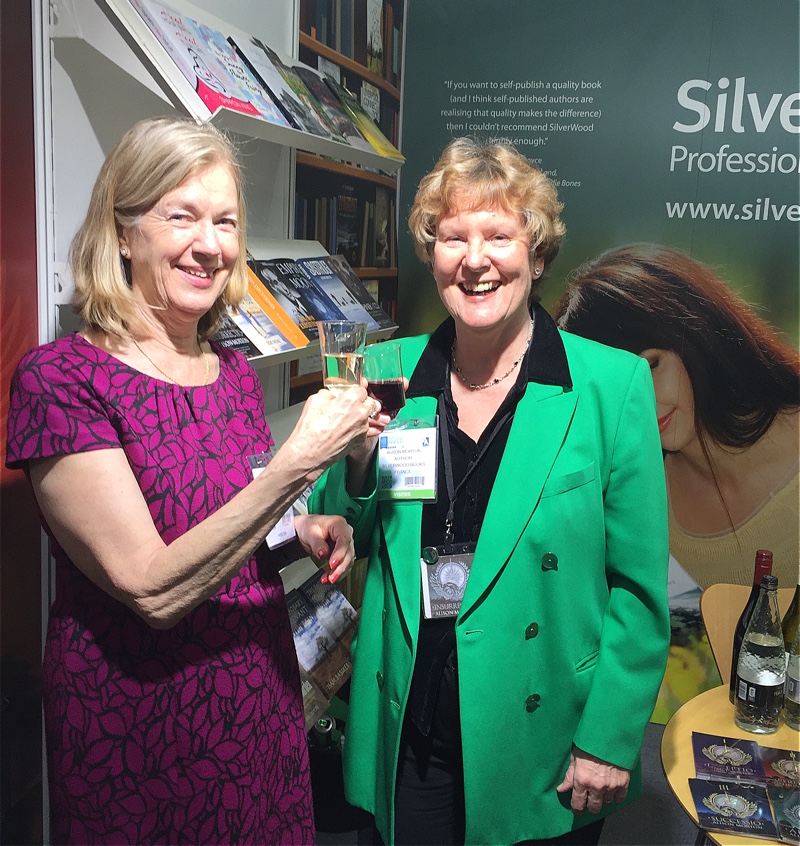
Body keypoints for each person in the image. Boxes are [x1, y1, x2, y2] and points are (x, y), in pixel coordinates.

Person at [4, 116, 381, 845]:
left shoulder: (229, 371)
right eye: (181, 216)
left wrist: (298, 531)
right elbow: (151, 588)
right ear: (123, 233)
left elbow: (228, 523)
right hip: (142, 729)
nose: (210, 245)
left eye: (226, 221)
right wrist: (300, 462)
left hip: (260, 702)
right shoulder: (61, 381)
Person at [310, 138, 670, 845]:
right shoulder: (386, 371)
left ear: (536, 256)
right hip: (410, 719)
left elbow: (637, 590)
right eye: (453, 237)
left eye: (499, 236)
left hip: (542, 735)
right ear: (432, 255)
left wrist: (608, 737)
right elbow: (338, 527)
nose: (475, 259)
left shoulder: (610, 386)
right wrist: (356, 456)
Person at [555, 243, 800, 591]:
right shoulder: (631, 501)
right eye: (616, 388)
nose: (643, 402)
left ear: (699, 334)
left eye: (652, 366)